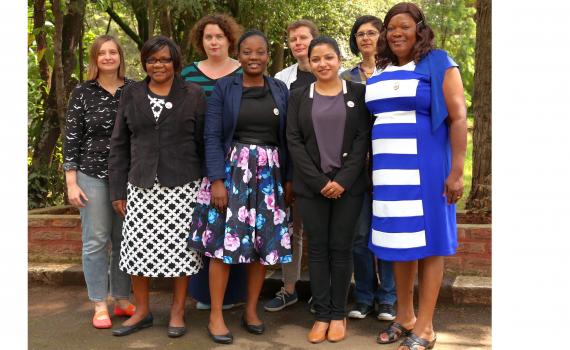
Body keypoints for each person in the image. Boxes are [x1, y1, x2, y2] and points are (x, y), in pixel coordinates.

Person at [366, 3, 467, 350]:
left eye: (404, 26)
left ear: (419, 29)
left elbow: (457, 117)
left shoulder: (438, 62)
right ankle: (404, 317)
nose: (396, 33)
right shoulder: (379, 69)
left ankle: (425, 327)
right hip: (388, 172)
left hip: (426, 167)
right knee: (398, 244)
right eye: (391, 27)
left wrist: (456, 172)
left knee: (431, 243)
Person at [187, 30, 292, 344]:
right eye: (248, 52)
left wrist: (288, 179)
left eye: (260, 52)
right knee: (223, 245)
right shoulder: (225, 87)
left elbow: (288, 137)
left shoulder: (279, 88)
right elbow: (211, 136)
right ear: (239, 55)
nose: (254, 58)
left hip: (270, 176)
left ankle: (250, 310)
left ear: (267, 54)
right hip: (232, 174)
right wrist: (216, 179)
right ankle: (216, 315)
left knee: (262, 247)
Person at [108, 36, 206, 338]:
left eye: (164, 59)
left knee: (181, 252)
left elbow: (204, 142)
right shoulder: (132, 94)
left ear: (175, 62)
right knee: (137, 250)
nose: (158, 65)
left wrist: (207, 184)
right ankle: (142, 310)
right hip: (140, 184)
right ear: (144, 63)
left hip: (183, 184)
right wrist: (117, 191)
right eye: (152, 60)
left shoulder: (193, 93)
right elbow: (119, 144)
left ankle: (177, 311)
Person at [286, 36, 371, 344]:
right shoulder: (297, 96)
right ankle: (322, 314)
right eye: (316, 59)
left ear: (339, 60)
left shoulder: (359, 93)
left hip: (349, 187)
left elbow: (363, 138)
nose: (323, 64)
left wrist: (343, 181)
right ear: (309, 62)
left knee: (342, 247)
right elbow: (293, 141)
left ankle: (338, 314)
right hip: (312, 187)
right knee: (318, 250)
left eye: (329, 58)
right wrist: (321, 182)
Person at [62, 35, 135, 329]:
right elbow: (71, 137)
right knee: (95, 241)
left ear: (120, 56)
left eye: (112, 52)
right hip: (91, 175)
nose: (107, 57)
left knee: (123, 240)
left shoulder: (134, 90)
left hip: (128, 176)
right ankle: (99, 303)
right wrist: (71, 181)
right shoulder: (82, 92)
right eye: (102, 53)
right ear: (95, 58)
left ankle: (121, 298)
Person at [181, 13, 247, 312]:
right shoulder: (188, 75)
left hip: (241, 160)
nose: (214, 41)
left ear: (229, 39)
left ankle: (234, 294)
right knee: (205, 227)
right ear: (201, 41)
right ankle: (204, 295)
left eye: (219, 36)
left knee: (236, 225)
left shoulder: (244, 70)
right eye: (208, 37)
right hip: (198, 160)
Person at [340, 15, 397, 321]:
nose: (365, 38)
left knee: (386, 232)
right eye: (360, 34)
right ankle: (363, 297)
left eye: (372, 33)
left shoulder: (396, 72)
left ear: (382, 36)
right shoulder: (346, 78)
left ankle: (388, 298)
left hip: (390, 163)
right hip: (356, 167)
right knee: (360, 236)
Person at [264, 18, 319, 313]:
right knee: (292, 230)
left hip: (325, 167)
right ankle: (289, 288)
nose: (298, 43)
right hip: (291, 165)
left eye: (303, 38)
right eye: (293, 39)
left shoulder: (332, 71)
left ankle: (323, 291)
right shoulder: (281, 78)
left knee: (322, 231)